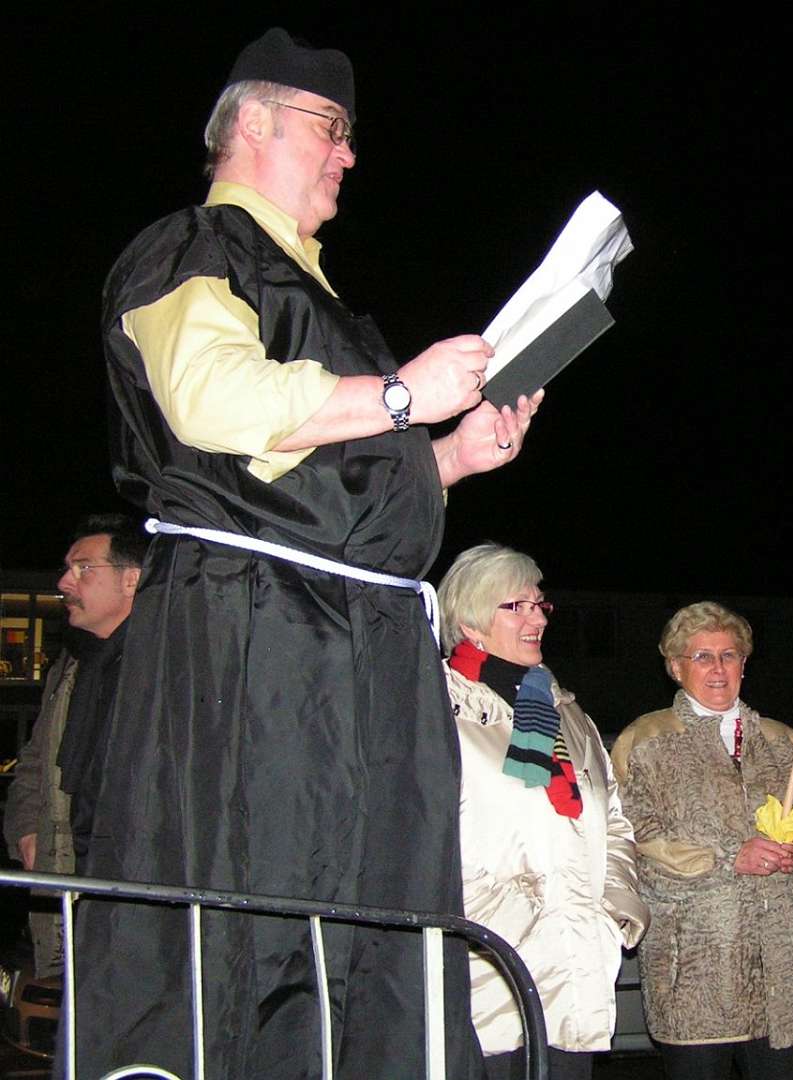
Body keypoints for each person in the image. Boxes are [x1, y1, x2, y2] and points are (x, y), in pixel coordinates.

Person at [84, 28, 539, 1076]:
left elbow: (330, 490)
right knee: (268, 922)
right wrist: (401, 394)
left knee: (374, 929)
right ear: (253, 121)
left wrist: (452, 457)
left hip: (357, 650)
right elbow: (210, 400)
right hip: (264, 641)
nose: (348, 153)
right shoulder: (193, 246)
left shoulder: (327, 304)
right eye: (330, 128)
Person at [611, 601, 793, 1080]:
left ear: (745, 664)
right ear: (675, 667)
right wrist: (729, 860)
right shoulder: (647, 742)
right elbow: (633, 844)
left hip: (782, 979)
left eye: (729, 655)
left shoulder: (785, 744)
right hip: (695, 976)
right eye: (702, 656)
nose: (718, 668)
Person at [435, 543, 647, 1080]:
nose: (538, 619)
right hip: (488, 974)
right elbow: (425, 840)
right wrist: (518, 922)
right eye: (517, 607)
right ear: (470, 621)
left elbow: (612, 819)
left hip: (576, 970)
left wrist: (608, 906)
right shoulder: (436, 711)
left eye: (540, 605)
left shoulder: (566, 713)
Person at [3, 515, 145, 978]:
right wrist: (27, 830)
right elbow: (34, 761)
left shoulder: (167, 663)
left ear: (131, 579)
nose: (65, 582)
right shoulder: (71, 667)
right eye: (67, 569)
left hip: (138, 885)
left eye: (84, 568)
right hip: (73, 873)